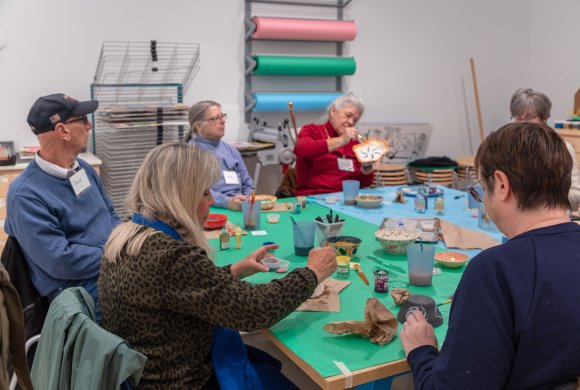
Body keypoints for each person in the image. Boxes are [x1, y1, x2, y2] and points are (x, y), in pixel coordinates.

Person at [98, 143, 337, 389]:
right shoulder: (171, 257)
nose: (212, 199)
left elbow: (174, 291)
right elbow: (254, 310)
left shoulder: (129, 233)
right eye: (204, 192)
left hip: (145, 374)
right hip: (184, 381)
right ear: (181, 196)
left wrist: (233, 271)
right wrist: (312, 273)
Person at [400, 122, 580, 389]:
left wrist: (421, 352)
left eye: (482, 190)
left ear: (501, 185)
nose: (484, 200)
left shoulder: (496, 271)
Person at [5, 93, 119, 321]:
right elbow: (60, 261)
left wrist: (122, 244)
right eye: (83, 119)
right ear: (62, 131)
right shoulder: (25, 194)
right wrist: (115, 253)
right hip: (75, 289)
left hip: (107, 266)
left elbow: (110, 214)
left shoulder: (83, 168)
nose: (89, 126)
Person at [510, 87, 580, 210]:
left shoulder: (563, 149)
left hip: (548, 216)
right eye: (518, 118)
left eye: (529, 118)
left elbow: (577, 197)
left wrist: (543, 195)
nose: (522, 124)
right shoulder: (505, 148)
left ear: (544, 118)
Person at [293, 92, 374, 196]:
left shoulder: (354, 143)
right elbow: (302, 150)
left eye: (355, 120)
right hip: (313, 198)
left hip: (346, 199)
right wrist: (341, 140)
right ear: (333, 111)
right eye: (348, 115)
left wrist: (367, 166)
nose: (351, 122)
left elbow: (364, 184)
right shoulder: (312, 130)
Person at [185, 100, 254, 210]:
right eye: (215, 118)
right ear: (198, 126)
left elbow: (248, 183)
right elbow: (196, 189)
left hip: (239, 206)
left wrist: (247, 199)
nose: (222, 121)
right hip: (210, 208)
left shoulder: (232, 151)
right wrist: (227, 202)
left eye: (222, 116)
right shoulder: (189, 153)